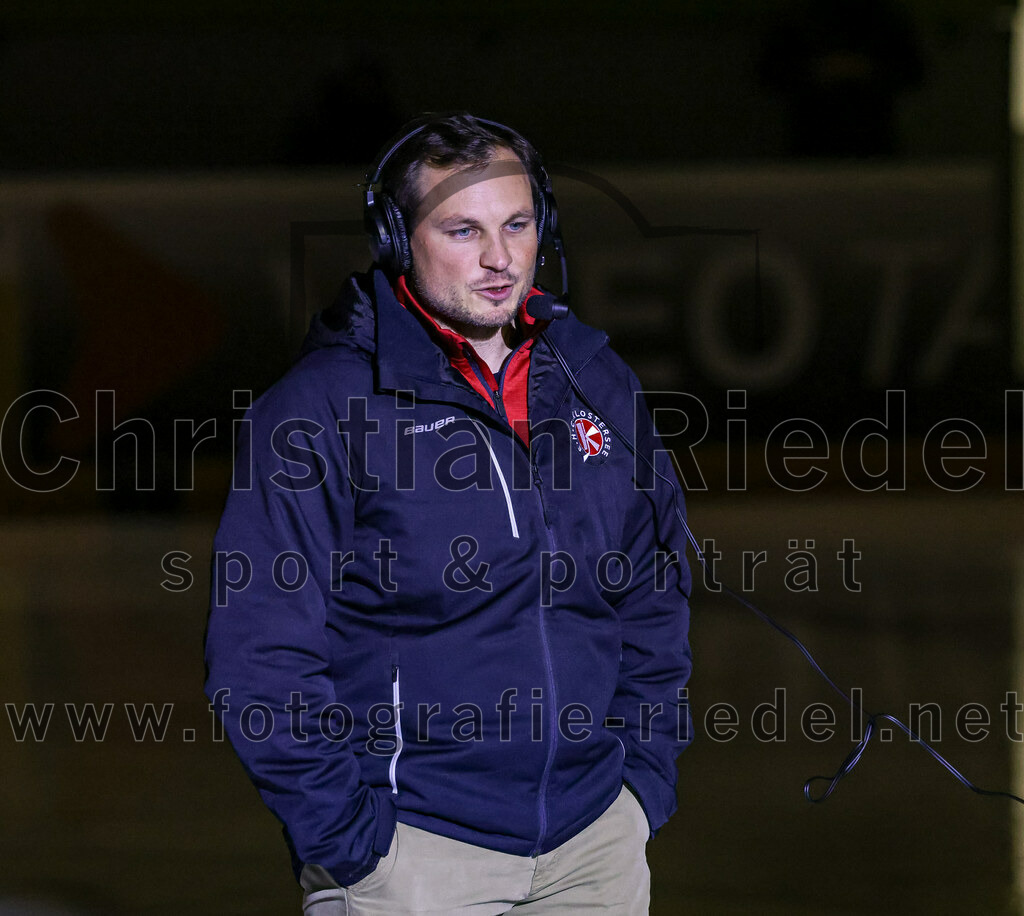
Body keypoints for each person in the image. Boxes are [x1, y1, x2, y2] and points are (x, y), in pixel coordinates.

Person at [204, 112, 693, 914]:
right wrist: (354, 849)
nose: (501, 259)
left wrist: (641, 785)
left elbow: (651, 596)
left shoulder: (596, 384)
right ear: (398, 239)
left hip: (595, 847)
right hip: (414, 861)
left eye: (518, 224)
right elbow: (260, 657)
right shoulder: (320, 411)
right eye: (463, 230)